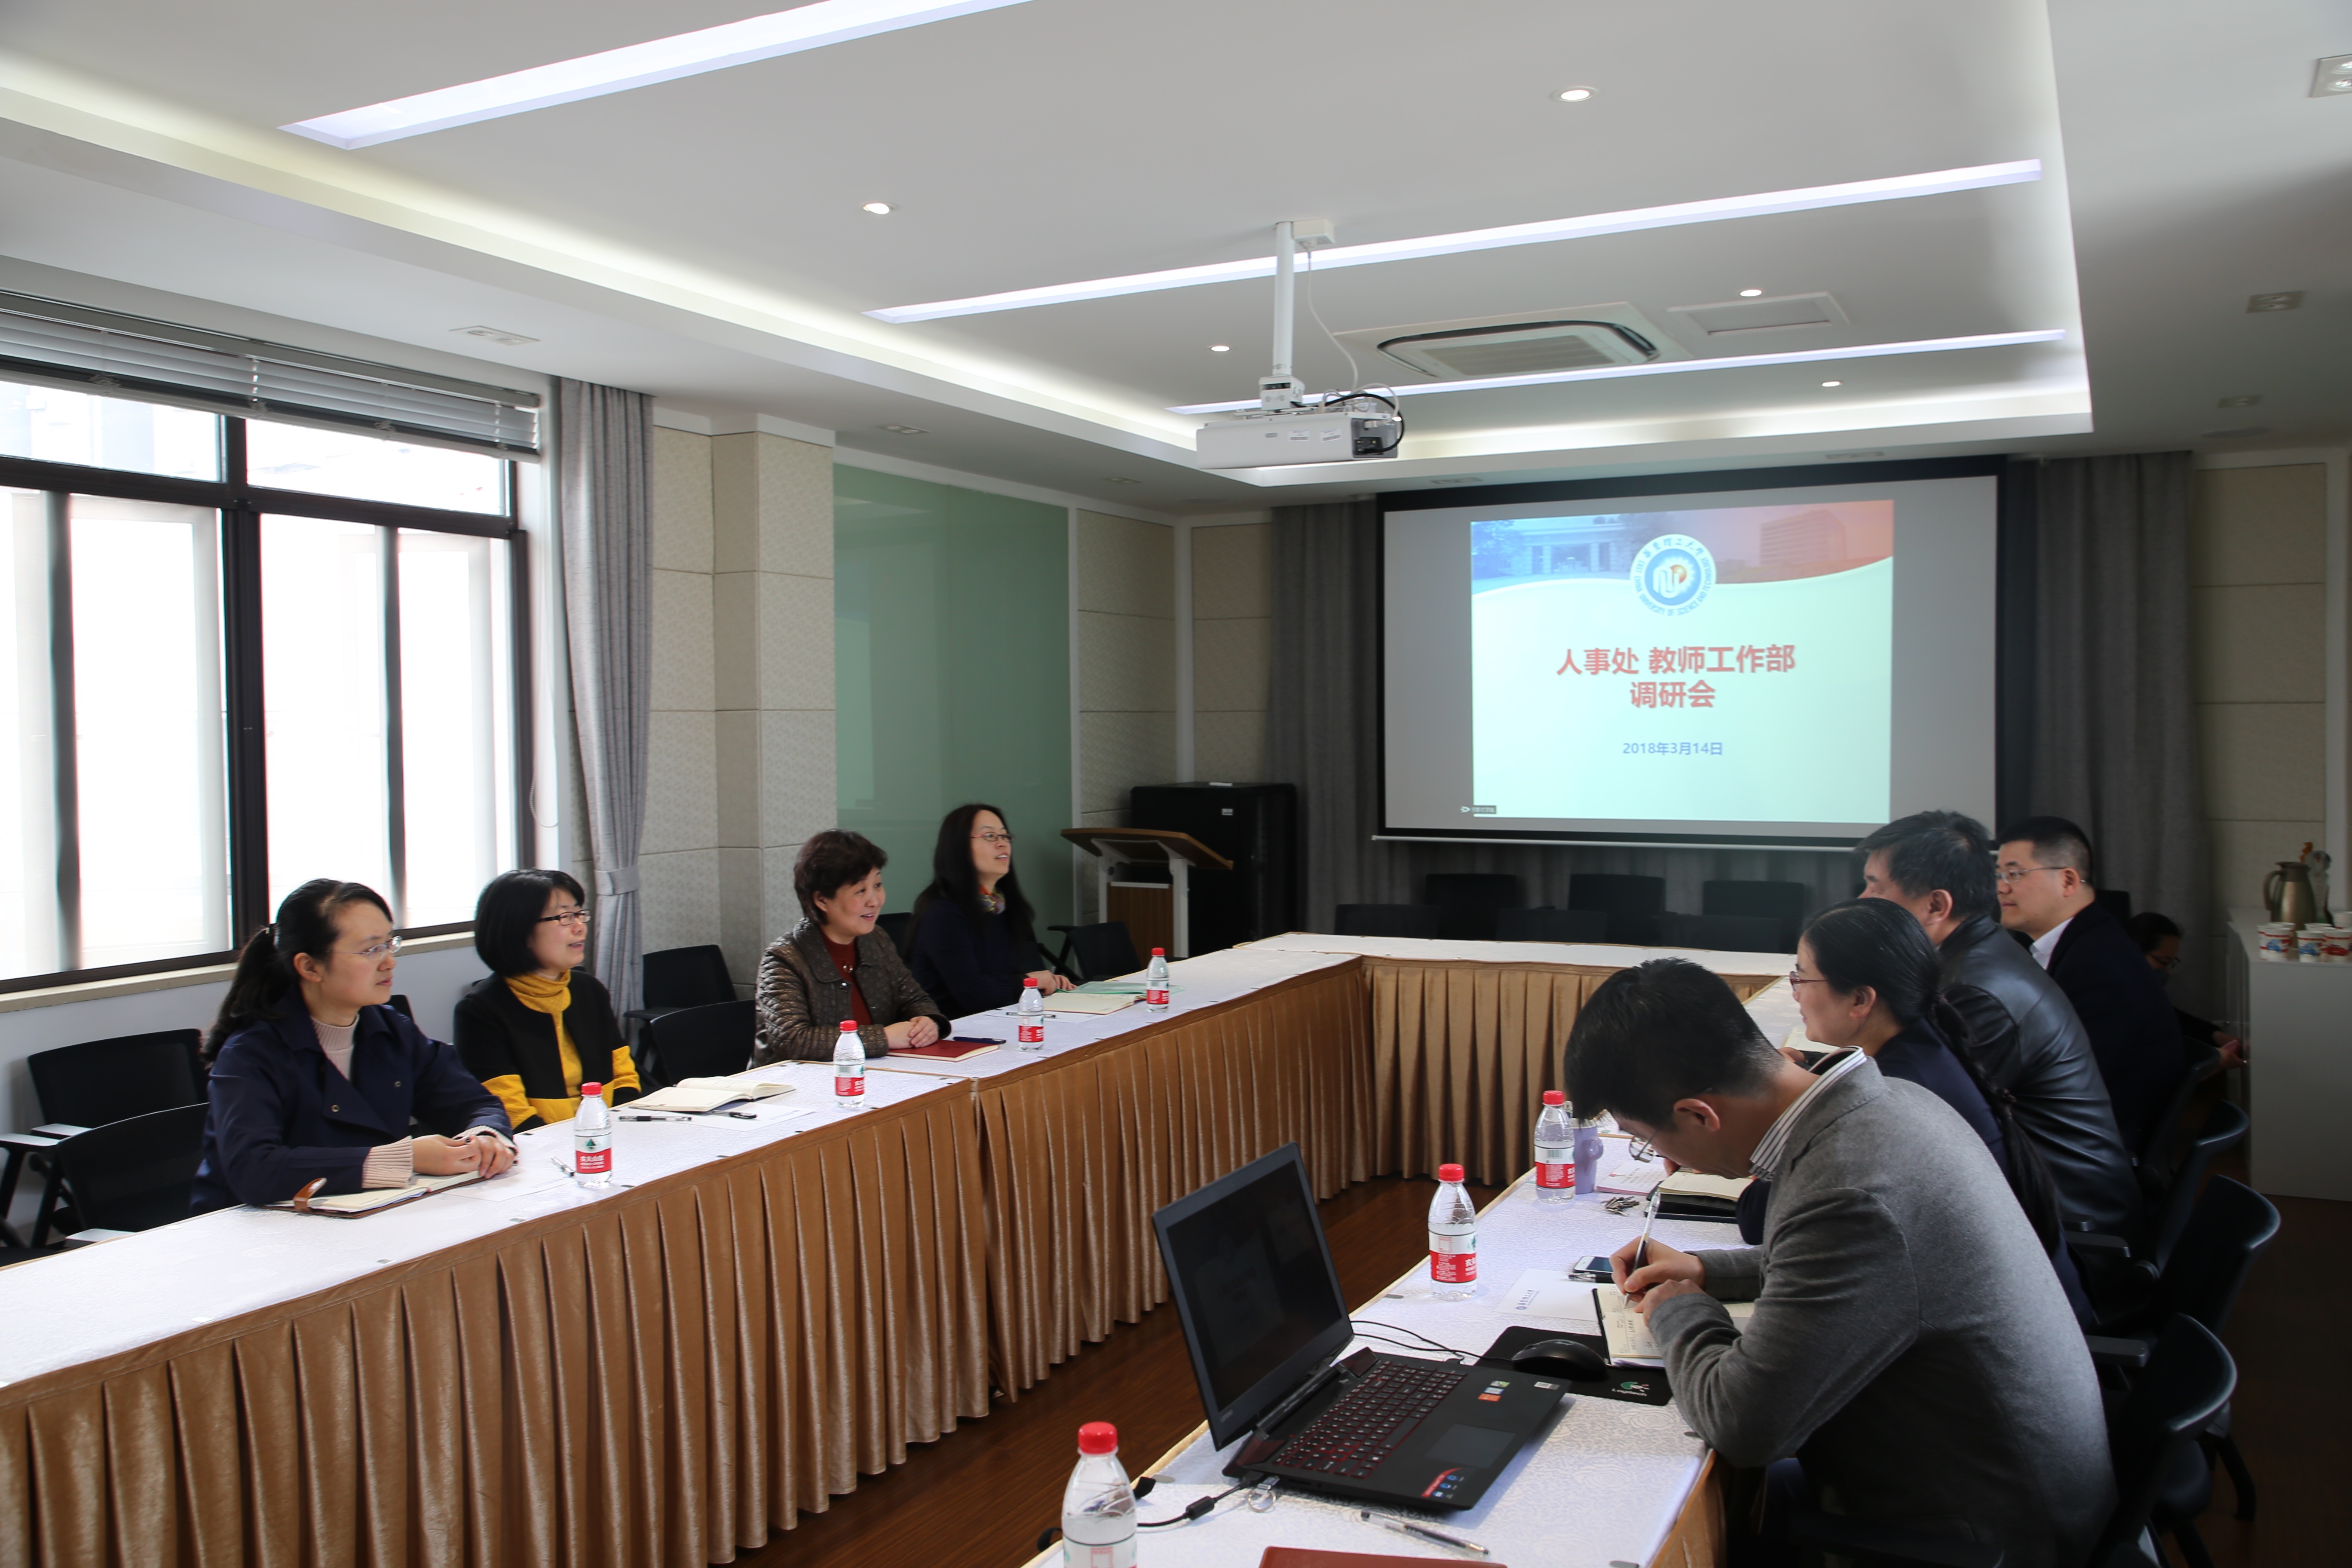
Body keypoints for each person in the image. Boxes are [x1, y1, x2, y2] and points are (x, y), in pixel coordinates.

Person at [1568, 959, 2113, 1568]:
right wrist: (1706, 1270)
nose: (1663, 1160)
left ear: (1699, 1114)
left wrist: (1679, 1309)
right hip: (1995, 1481)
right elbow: (1867, 1266)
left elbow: (1744, 1425)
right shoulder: (1887, 1102)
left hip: (1979, 1535)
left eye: (1646, 1140)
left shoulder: (1850, 1188)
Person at [1766, 900, 2091, 1320]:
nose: (1796, 991)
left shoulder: (1893, 1094)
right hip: (2018, 1302)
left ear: (1860, 1000)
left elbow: (1767, 1218)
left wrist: (1782, 1108)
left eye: (1803, 977)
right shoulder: (1925, 1044)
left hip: (2012, 1321)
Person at [1856, 809, 2141, 1234]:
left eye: (1876, 886)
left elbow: (1911, 1118)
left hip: (2061, 1225)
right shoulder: (1977, 956)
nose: (1864, 900)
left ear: (1936, 905)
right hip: (2027, 1194)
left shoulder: (1974, 991)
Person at [193, 879, 515, 1213]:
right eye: (370, 950)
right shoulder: (251, 1052)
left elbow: (473, 1102)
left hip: (368, 1215)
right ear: (310, 967)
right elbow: (255, 1169)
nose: (389, 962)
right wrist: (404, 1159)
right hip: (253, 1232)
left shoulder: (391, 1029)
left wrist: (484, 1138)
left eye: (390, 944)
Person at [1994, 816, 2186, 1154]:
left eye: (2015, 874)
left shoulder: (2098, 965)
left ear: (2068, 880)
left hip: (2086, 1151)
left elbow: (2067, 1084)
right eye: (1999, 875)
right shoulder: (2089, 941)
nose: (2002, 888)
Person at [452, 870, 641, 1130]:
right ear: (520, 931)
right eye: (565, 917)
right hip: (539, 1145)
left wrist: (618, 1127)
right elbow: (508, 1110)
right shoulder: (480, 1010)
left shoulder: (588, 990)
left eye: (579, 914)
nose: (579, 927)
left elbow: (623, 1074)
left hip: (606, 1132)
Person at [755, 830, 953, 1064]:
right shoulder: (783, 959)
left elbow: (914, 999)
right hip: (799, 1083)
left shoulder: (876, 940)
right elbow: (793, 1041)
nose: (875, 901)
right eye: (861, 891)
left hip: (877, 1073)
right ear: (822, 900)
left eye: (878, 885)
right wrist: (883, 1038)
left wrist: (927, 1022)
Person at [906, 803, 1071, 1018]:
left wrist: (1046, 982)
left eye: (1005, 836)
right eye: (990, 836)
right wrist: (1030, 982)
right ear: (960, 848)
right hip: (954, 1028)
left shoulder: (999, 906)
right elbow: (974, 994)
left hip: (999, 1019)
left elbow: (1002, 974)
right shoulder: (943, 913)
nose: (1002, 843)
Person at [2125, 910, 2248, 1067]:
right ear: (2135, 953)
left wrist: (2212, 1034)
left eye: (2172, 963)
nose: (2168, 971)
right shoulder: (2114, 999)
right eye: (2164, 962)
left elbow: (2168, 1017)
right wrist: (2208, 1058)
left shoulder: (2141, 991)